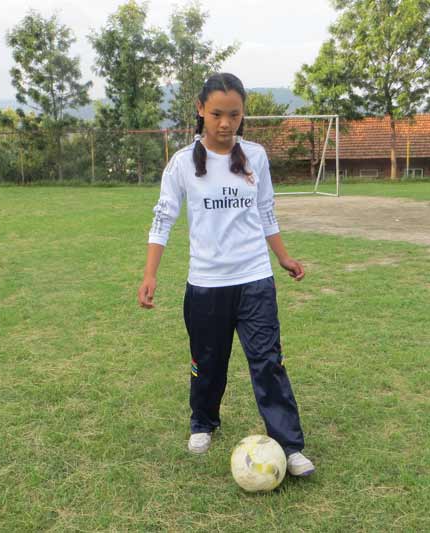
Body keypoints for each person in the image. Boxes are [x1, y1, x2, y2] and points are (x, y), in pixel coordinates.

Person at [137, 73, 315, 477]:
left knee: (269, 362)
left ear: (243, 115)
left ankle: (289, 446)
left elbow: (266, 211)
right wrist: (150, 275)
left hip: (255, 279)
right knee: (208, 363)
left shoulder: (256, 156)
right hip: (206, 286)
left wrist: (283, 257)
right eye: (217, 113)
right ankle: (203, 422)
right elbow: (162, 219)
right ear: (200, 110)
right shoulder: (182, 163)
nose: (225, 123)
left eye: (234, 115)